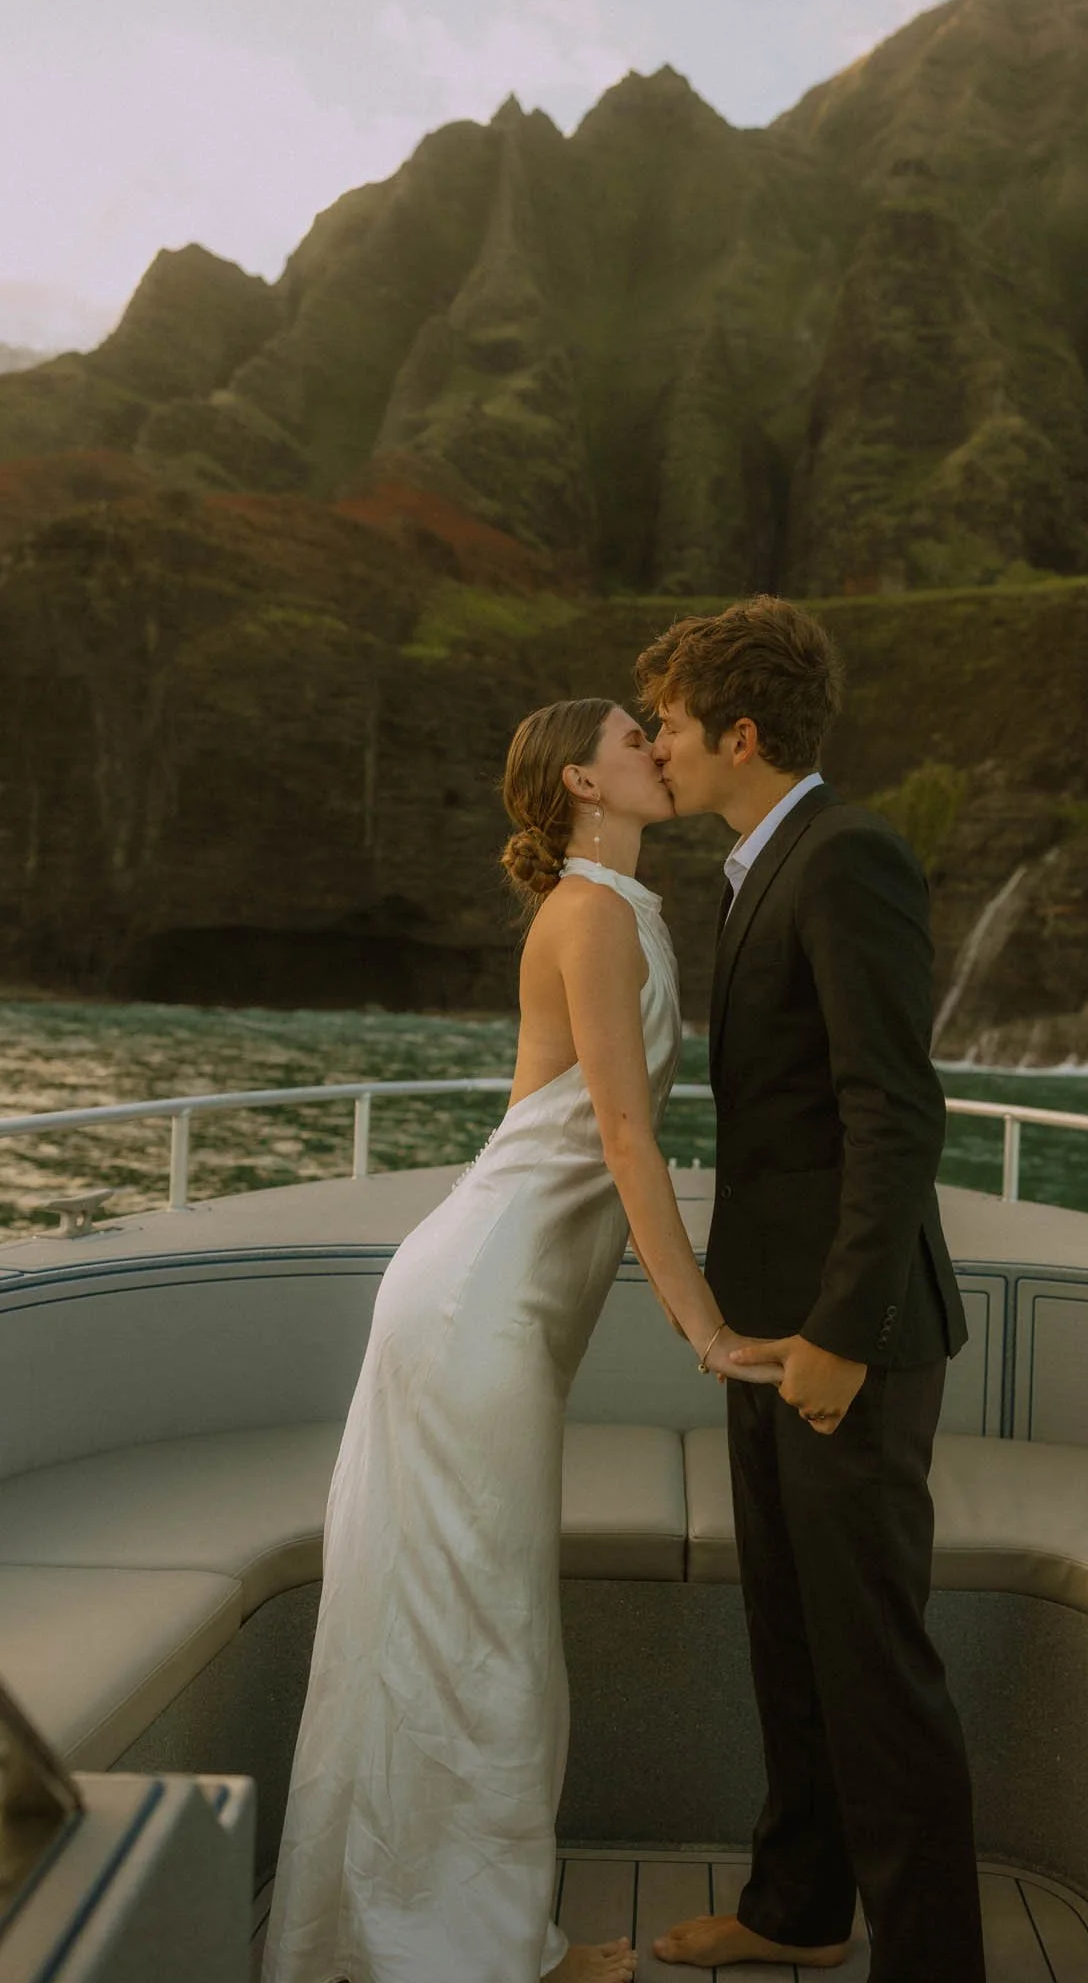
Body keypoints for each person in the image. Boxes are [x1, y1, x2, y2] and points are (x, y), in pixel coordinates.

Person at [262, 697, 778, 1983]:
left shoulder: (620, 907)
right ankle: (488, 1954)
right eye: (632, 738)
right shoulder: (589, 913)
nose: (655, 749)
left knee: (466, 1624)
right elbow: (623, 1136)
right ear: (581, 782)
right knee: (481, 1634)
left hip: (500, 1302)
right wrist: (707, 1328)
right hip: (474, 1305)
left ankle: (450, 1931)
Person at [638, 597, 987, 1983]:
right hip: (768, 1330)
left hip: (851, 1339)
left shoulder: (847, 856)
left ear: (739, 733)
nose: (655, 746)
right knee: (791, 1643)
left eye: (668, 723)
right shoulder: (753, 869)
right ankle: (798, 1909)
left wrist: (840, 1335)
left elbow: (896, 1113)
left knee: (875, 1670)